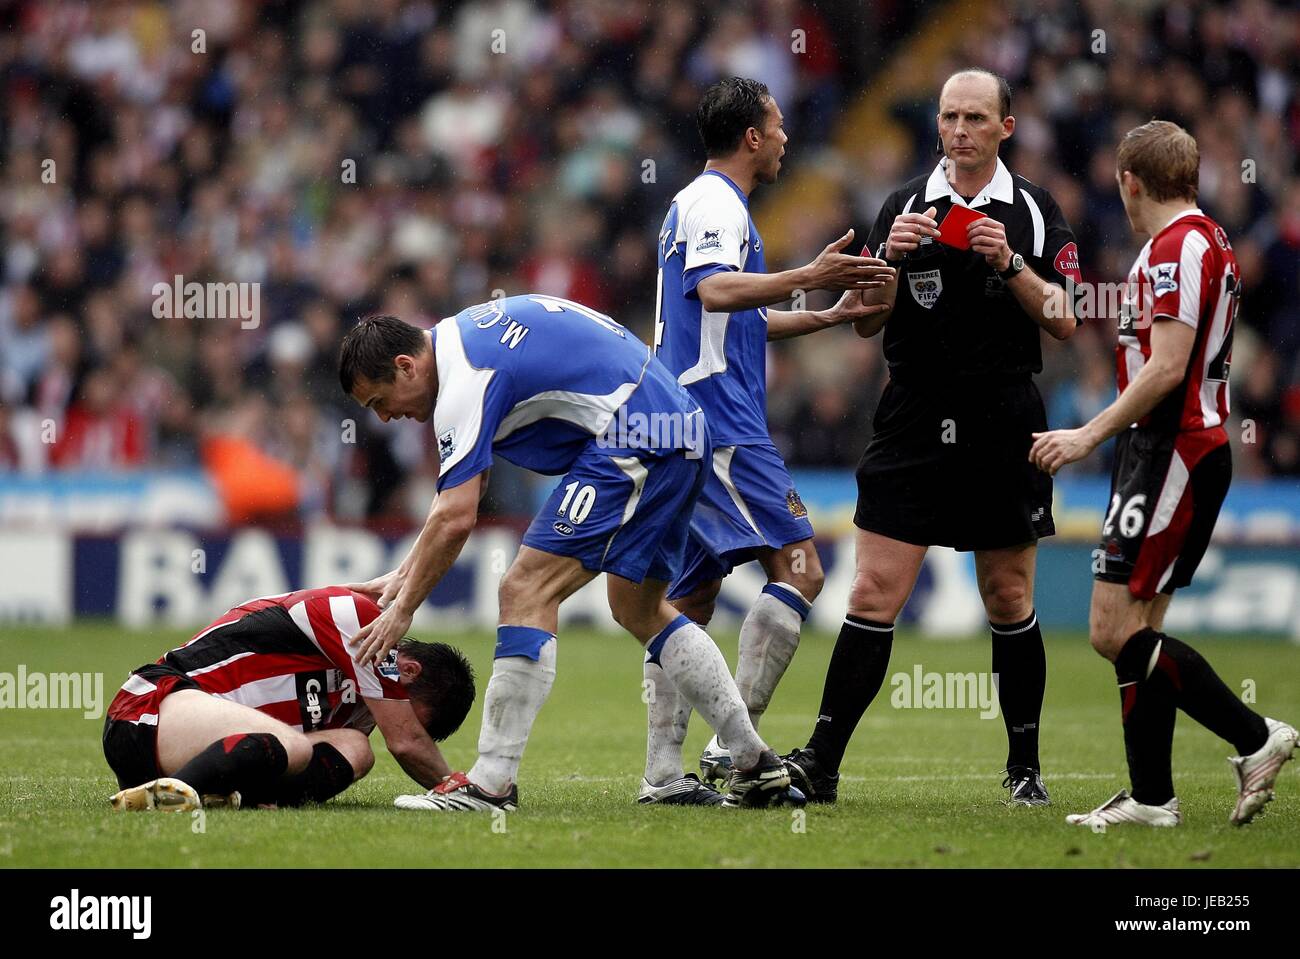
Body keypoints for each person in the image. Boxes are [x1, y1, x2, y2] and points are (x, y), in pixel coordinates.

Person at [339, 298, 803, 811]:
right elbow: (466, 486)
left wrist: (403, 610)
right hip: (682, 429)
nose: (387, 416)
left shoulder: (466, 375)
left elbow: (455, 515)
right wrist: (405, 575)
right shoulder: (467, 336)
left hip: (637, 435)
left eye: (379, 400)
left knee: (525, 589)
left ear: (406, 366)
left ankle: (491, 785)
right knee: (638, 608)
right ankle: (749, 762)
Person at [783, 68, 1081, 806]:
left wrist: (1007, 262)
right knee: (875, 587)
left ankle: (1024, 770)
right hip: (913, 413)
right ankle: (821, 762)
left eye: (976, 118)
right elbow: (865, 320)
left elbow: (1067, 316)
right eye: (950, 117)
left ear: (1006, 127)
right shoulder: (904, 206)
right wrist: (888, 263)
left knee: (1007, 593)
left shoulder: (1036, 213)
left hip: (1002, 416)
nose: (959, 131)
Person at [1030, 120, 1297, 827]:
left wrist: (1088, 432)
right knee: (1141, 623)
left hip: (1172, 449)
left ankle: (1255, 736)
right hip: (1181, 449)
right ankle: (1152, 798)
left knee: (1111, 627)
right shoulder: (1209, 239)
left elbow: (1169, 365)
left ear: (1129, 181)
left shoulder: (1176, 247)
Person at [649, 76, 895, 798]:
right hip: (719, 422)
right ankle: (739, 747)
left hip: (685, 416)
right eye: (778, 125)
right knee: (801, 568)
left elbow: (731, 317)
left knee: (689, 601)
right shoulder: (718, 203)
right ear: (752, 137)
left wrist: (823, 311)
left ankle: (663, 773)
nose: (787, 137)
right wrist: (809, 274)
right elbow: (717, 290)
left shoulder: (696, 204)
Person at [103, 585, 474, 812]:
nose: (391, 722)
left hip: (204, 748)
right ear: (408, 671)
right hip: (150, 709)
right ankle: (169, 796)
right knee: (295, 747)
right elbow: (406, 742)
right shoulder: (358, 619)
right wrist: (460, 790)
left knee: (356, 749)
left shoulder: (359, 710)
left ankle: (224, 796)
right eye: (407, 713)